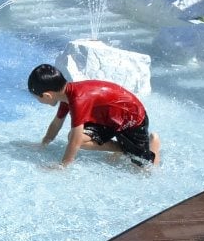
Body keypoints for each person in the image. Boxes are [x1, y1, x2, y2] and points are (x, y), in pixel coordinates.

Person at [27, 63, 161, 169]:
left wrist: (63, 165)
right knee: (77, 138)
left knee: (144, 169)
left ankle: (152, 142)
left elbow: (75, 139)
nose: (39, 101)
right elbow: (57, 123)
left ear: (47, 95)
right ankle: (123, 148)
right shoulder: (66, 96)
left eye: (37, 98)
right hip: (109, 120)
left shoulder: (78, 99)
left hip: (132, 120)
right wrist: (43, 144)